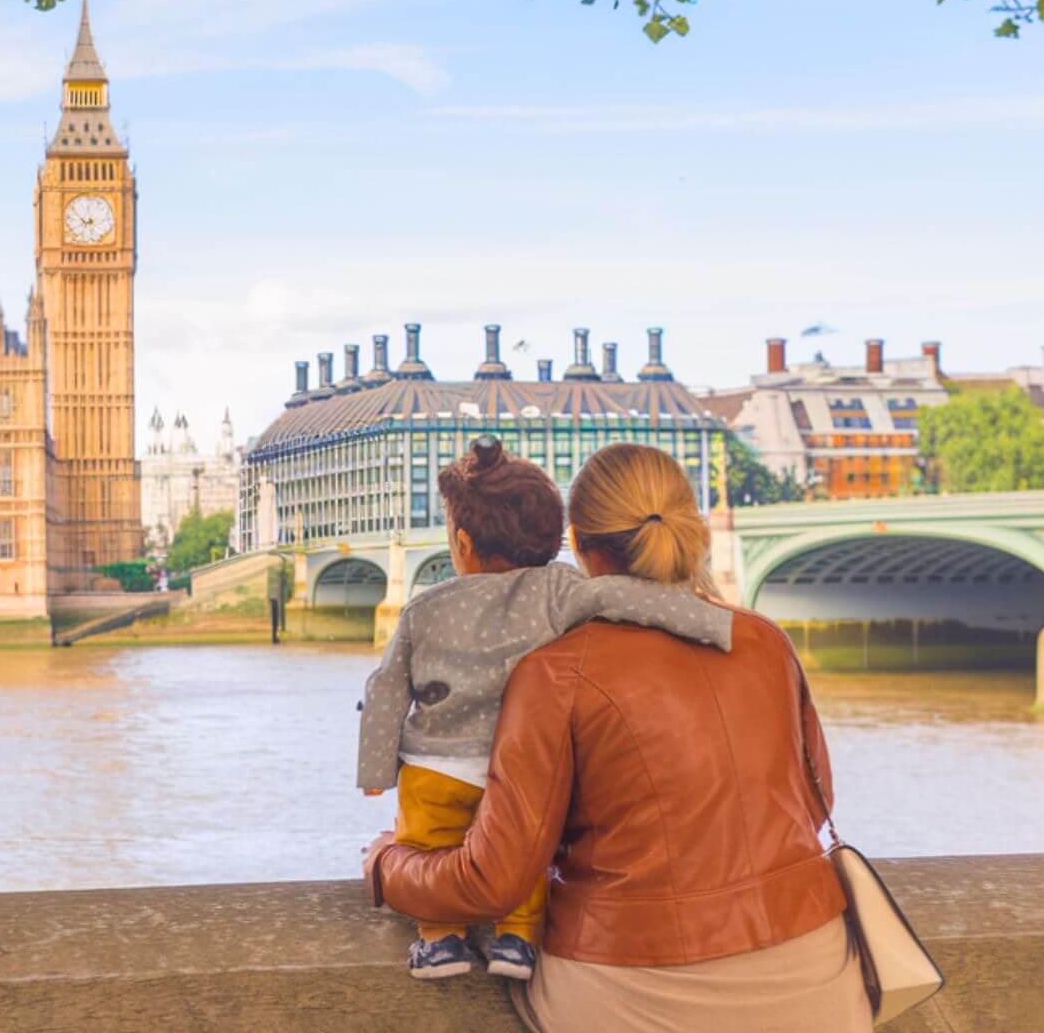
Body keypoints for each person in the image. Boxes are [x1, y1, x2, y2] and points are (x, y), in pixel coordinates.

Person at [364, 442, 871, 1032]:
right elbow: (813, 803)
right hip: (817, 983)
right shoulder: (762, 641)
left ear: (577, 543)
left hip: (634, 989)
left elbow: (489, 881)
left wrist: (387, 864)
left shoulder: (554, 671)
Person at [357, 436, 731, 982]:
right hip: (520, 769)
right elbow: (630, 600)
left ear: (461, 542)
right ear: (557, 539)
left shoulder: (425, 609)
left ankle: (440, 944)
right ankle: (516, 940)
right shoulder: (561, 590)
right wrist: (719, 623)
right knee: (528, 850)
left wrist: (375, 772)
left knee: (426, 844)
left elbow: (386, 690)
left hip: (434, 769)